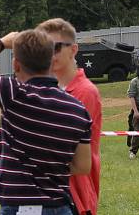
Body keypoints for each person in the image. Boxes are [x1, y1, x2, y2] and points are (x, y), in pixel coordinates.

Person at [0, 29, 92, 215]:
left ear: (16, 65)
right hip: (60, 207)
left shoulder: (13, 93)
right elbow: (83, 166)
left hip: (19, 207)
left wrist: (1, 43)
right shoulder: (78, 110)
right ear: (52, 63)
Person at [39, 18, 103, 215]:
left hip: (74, 194)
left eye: (56, 47)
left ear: (73, 50)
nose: (50, 54)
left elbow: (67, 148)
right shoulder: (45, 88)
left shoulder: (84, 92)